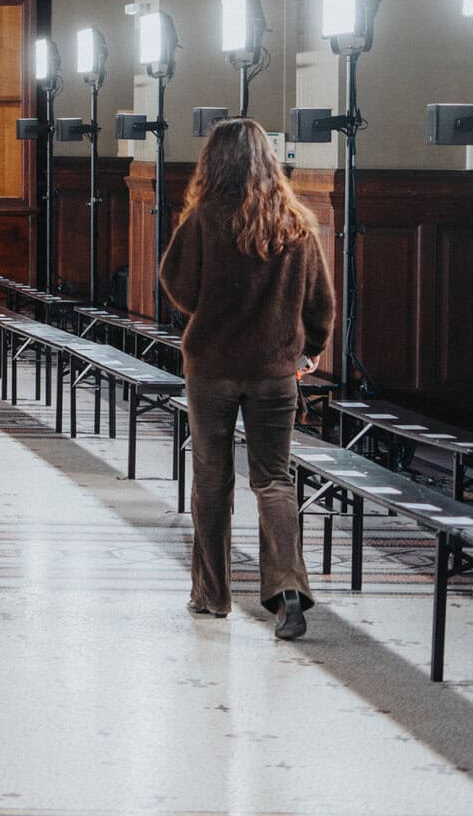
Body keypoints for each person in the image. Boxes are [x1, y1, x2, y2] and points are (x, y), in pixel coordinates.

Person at [159, 118, 333, 641]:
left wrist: (208, 308)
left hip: (211, 369)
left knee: (212, 479)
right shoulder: (296, 223)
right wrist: (311, 349)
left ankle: (212, 594)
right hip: (274, 372)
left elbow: (176, 283)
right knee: (273, 480)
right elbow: (320, 300)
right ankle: (288, 595)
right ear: (268, 160)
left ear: (214, 161)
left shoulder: (203, 219)